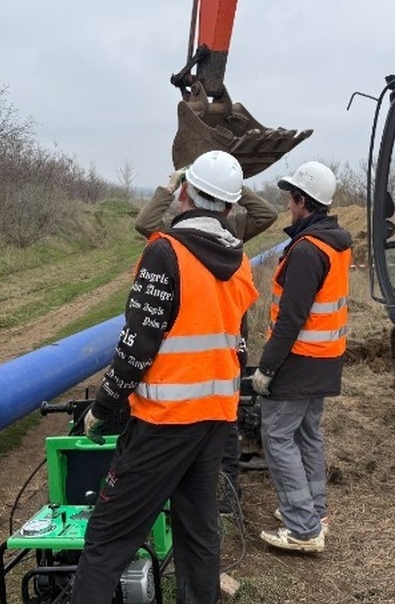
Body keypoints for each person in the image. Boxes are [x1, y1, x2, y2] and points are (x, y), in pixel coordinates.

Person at [70, 150, 259, 604]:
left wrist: (103, 407)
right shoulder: (240, 261)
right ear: (230, 207)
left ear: (184, 192)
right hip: (215, 418)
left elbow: (136, 346)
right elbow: (236, 341)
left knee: (108, 537)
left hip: (164, 422)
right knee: (198, 531)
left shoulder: (165, 252)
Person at [134, 163, 277, 512]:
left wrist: (227, 183)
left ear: (187, 192)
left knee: (222, 418)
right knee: (218, 414)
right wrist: (191, 188)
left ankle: (224, 496)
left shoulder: (222, 229)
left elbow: (267, 214)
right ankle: (211, 498)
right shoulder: (181, 234)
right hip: (212, 338)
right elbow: (144, 223)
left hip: (222, 337)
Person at [250, 160, 353, 553]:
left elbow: (290, 318)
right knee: (307, 433)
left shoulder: (308, 250)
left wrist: (267, 368)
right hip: (325, 358)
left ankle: (302, 528)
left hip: (299, 359)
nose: (288, 205)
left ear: (302, 201)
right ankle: (314, 513)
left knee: (277, 436)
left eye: (291, 198)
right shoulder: (334, 243)